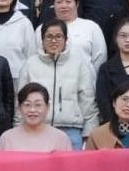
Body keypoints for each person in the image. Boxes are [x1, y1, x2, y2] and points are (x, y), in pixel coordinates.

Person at [17, 20, 98, 150]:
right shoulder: (30, 64)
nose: (53, 41)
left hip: (71, 130)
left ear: (66, 39)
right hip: (37, 128)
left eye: (58, 36)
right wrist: (18, 128)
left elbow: (87, 100)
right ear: (42, 40)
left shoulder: (79, 64)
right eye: (49, 36)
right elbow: (20, 100)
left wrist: (89, 132)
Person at [42, 0, 107, 71]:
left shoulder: (91, 27)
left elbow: (100, 58)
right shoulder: (42, 29)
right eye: (59, 2)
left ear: (77, 4)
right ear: (53, 5)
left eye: (68, 2)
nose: (64, 6)